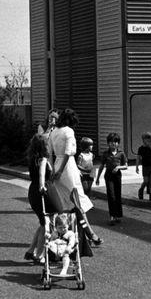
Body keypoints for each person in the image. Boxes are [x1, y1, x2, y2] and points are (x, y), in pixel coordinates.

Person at [48, 108, 100, 248]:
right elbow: (68, 152)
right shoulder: (68, 131)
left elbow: (49, 153)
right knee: (77, 201)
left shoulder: (54, 132)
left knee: (65, 203)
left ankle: (72, 233)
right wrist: (60, 170)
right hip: (67, 166)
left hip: (57, 164)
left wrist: (54, 169)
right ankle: (89, 233)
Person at [24, 131, 52, 264]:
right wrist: (42, 186)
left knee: (42, 223)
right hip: (41, 191)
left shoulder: (32, 159)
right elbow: (42, 174)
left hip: (32, 191)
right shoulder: (43, 159)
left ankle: (31, 250)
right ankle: (39, 254)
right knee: (46, 224)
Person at [95, 132, 128, 225]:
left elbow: (125, 166)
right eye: (111, 142)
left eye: (116, 142)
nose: (114, 144)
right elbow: (101, 166)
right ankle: (112, 216)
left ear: (118, 143)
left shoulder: (121, 153)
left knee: (118, 195)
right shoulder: (106, 154)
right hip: (108, 175)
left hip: (117, 175)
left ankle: (118, 215)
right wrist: (98, 178)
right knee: (111, 196)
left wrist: (118, 167)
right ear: (108, 143)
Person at [135, 131, 151, 202]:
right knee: (146, 181)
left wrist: (150, 146)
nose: (148, 141)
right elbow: (138, 158)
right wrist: (137, 167)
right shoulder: (141, 149)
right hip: (145, 167)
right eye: (146, 139)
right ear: (143, 140)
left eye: (149, 140)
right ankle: (141, 189)